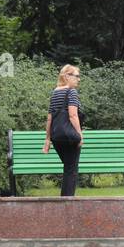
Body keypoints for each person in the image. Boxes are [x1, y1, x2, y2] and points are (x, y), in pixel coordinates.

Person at [44, 64, 84, 197]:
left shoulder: (55, 92)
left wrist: (48, 139)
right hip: (70, 137)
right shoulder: (71, 92)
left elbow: (50, 118)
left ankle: (65, 200)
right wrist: (80, 135)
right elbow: (73, 115)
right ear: (67, 76)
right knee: (71, 170)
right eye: (76, 76)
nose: (79, 79)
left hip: (57, 138)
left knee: (68, 168)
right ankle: (67, 202)